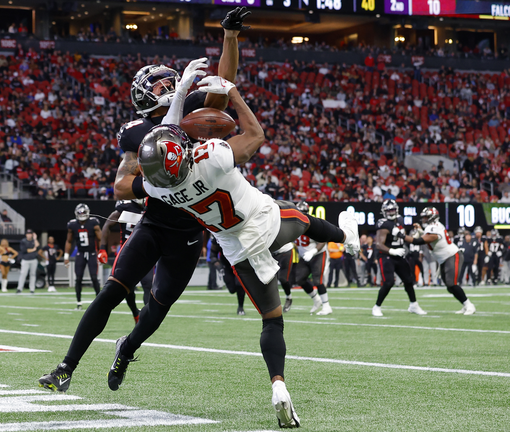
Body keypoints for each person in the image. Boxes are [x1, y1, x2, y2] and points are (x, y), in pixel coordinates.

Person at [38, 5, 249, 414]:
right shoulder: (137, 132)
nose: (170, 84)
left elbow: (225, 82)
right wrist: (153, 182)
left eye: (170, 81)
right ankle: (65, 368)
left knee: (156, 309)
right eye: (162, 83)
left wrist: (231, 37)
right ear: (144, 94)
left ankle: (127, 347)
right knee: (111, 292)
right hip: (154, 222)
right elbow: (121, 184)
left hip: (190, 230)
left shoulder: (194, 109)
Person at [133, 74, 360, 427]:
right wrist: (233, 94)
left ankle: (279, 385)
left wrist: (178, 97)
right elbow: (254, 135)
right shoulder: (212, 157)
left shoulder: (156, 188)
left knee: (272, 321)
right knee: (302, 215)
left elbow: (166, 138)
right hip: (264, 223)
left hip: (237, 250)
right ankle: (347, 238)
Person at [404, 208, 476, 315]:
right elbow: (428, 237)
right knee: (449, 287)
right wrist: (421, 231)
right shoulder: (433, 227)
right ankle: (465, 304)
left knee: (452, 284)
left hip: (452, 256)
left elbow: (419, 241)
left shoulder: (434, 227)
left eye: (426, 217)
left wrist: (401, 236)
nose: (423, 219)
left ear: (432, 217)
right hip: (444, 259)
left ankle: (469, 305)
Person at [98, 199, 154, 321]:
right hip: (128, 253)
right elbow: (107, 224)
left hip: (147, 253)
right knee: (126, 289)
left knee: (148, 285)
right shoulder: (125, 207)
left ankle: (146, 319)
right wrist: (102, 249)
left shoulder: (152, 207)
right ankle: (135, 312)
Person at [372, 199, 426, 317]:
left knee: (408, 280)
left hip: (400, 254)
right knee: (389, 282)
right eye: (388, 210)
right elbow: (379, 244)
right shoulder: (383, 223)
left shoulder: (400, 219)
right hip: (387, 255)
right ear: (384, 212)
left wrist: (414, 237)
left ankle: (413, 305)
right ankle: (376, 307)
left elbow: (401, 237)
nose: (391, 212)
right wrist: (392, 250)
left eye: (393, 210)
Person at [64, 204, 102, 309]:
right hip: (80, 253)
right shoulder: (72, 225)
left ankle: (99, 302)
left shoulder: (93, 222)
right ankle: (79, 302)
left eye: (83, 212)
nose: (81, 215)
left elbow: (100, 238)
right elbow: (69, 241)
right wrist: (66, 256)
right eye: (79, 213)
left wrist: (101, 252)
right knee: (78, 278)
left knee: (94, 277)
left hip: (92, 253)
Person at [210, 236, 247, 315]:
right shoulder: (219, 237)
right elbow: (212, 255)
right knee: (232, 289)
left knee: (240, 285)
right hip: (226, 266)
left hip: (239, 264)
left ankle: (240, 307)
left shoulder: (241, 235)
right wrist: (219, 266)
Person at [272, 242, 295, 312]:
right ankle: (272, 303)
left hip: (285, 251)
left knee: (283, 278)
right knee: (269, 279)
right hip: (272, 253)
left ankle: (289, 298)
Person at [17, 230, 40, 294]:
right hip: (25, 259)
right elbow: (24, 250)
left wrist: (35, 239)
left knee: (33, 274)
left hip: (33, 259)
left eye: (30, 234)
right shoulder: (23, 241)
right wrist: (33, 249)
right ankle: (19, 288)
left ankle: (32, 289)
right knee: (23, 274)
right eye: (28, 234)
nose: (29, 235)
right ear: (26, 235)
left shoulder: (34, 241)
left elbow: (38, 246)